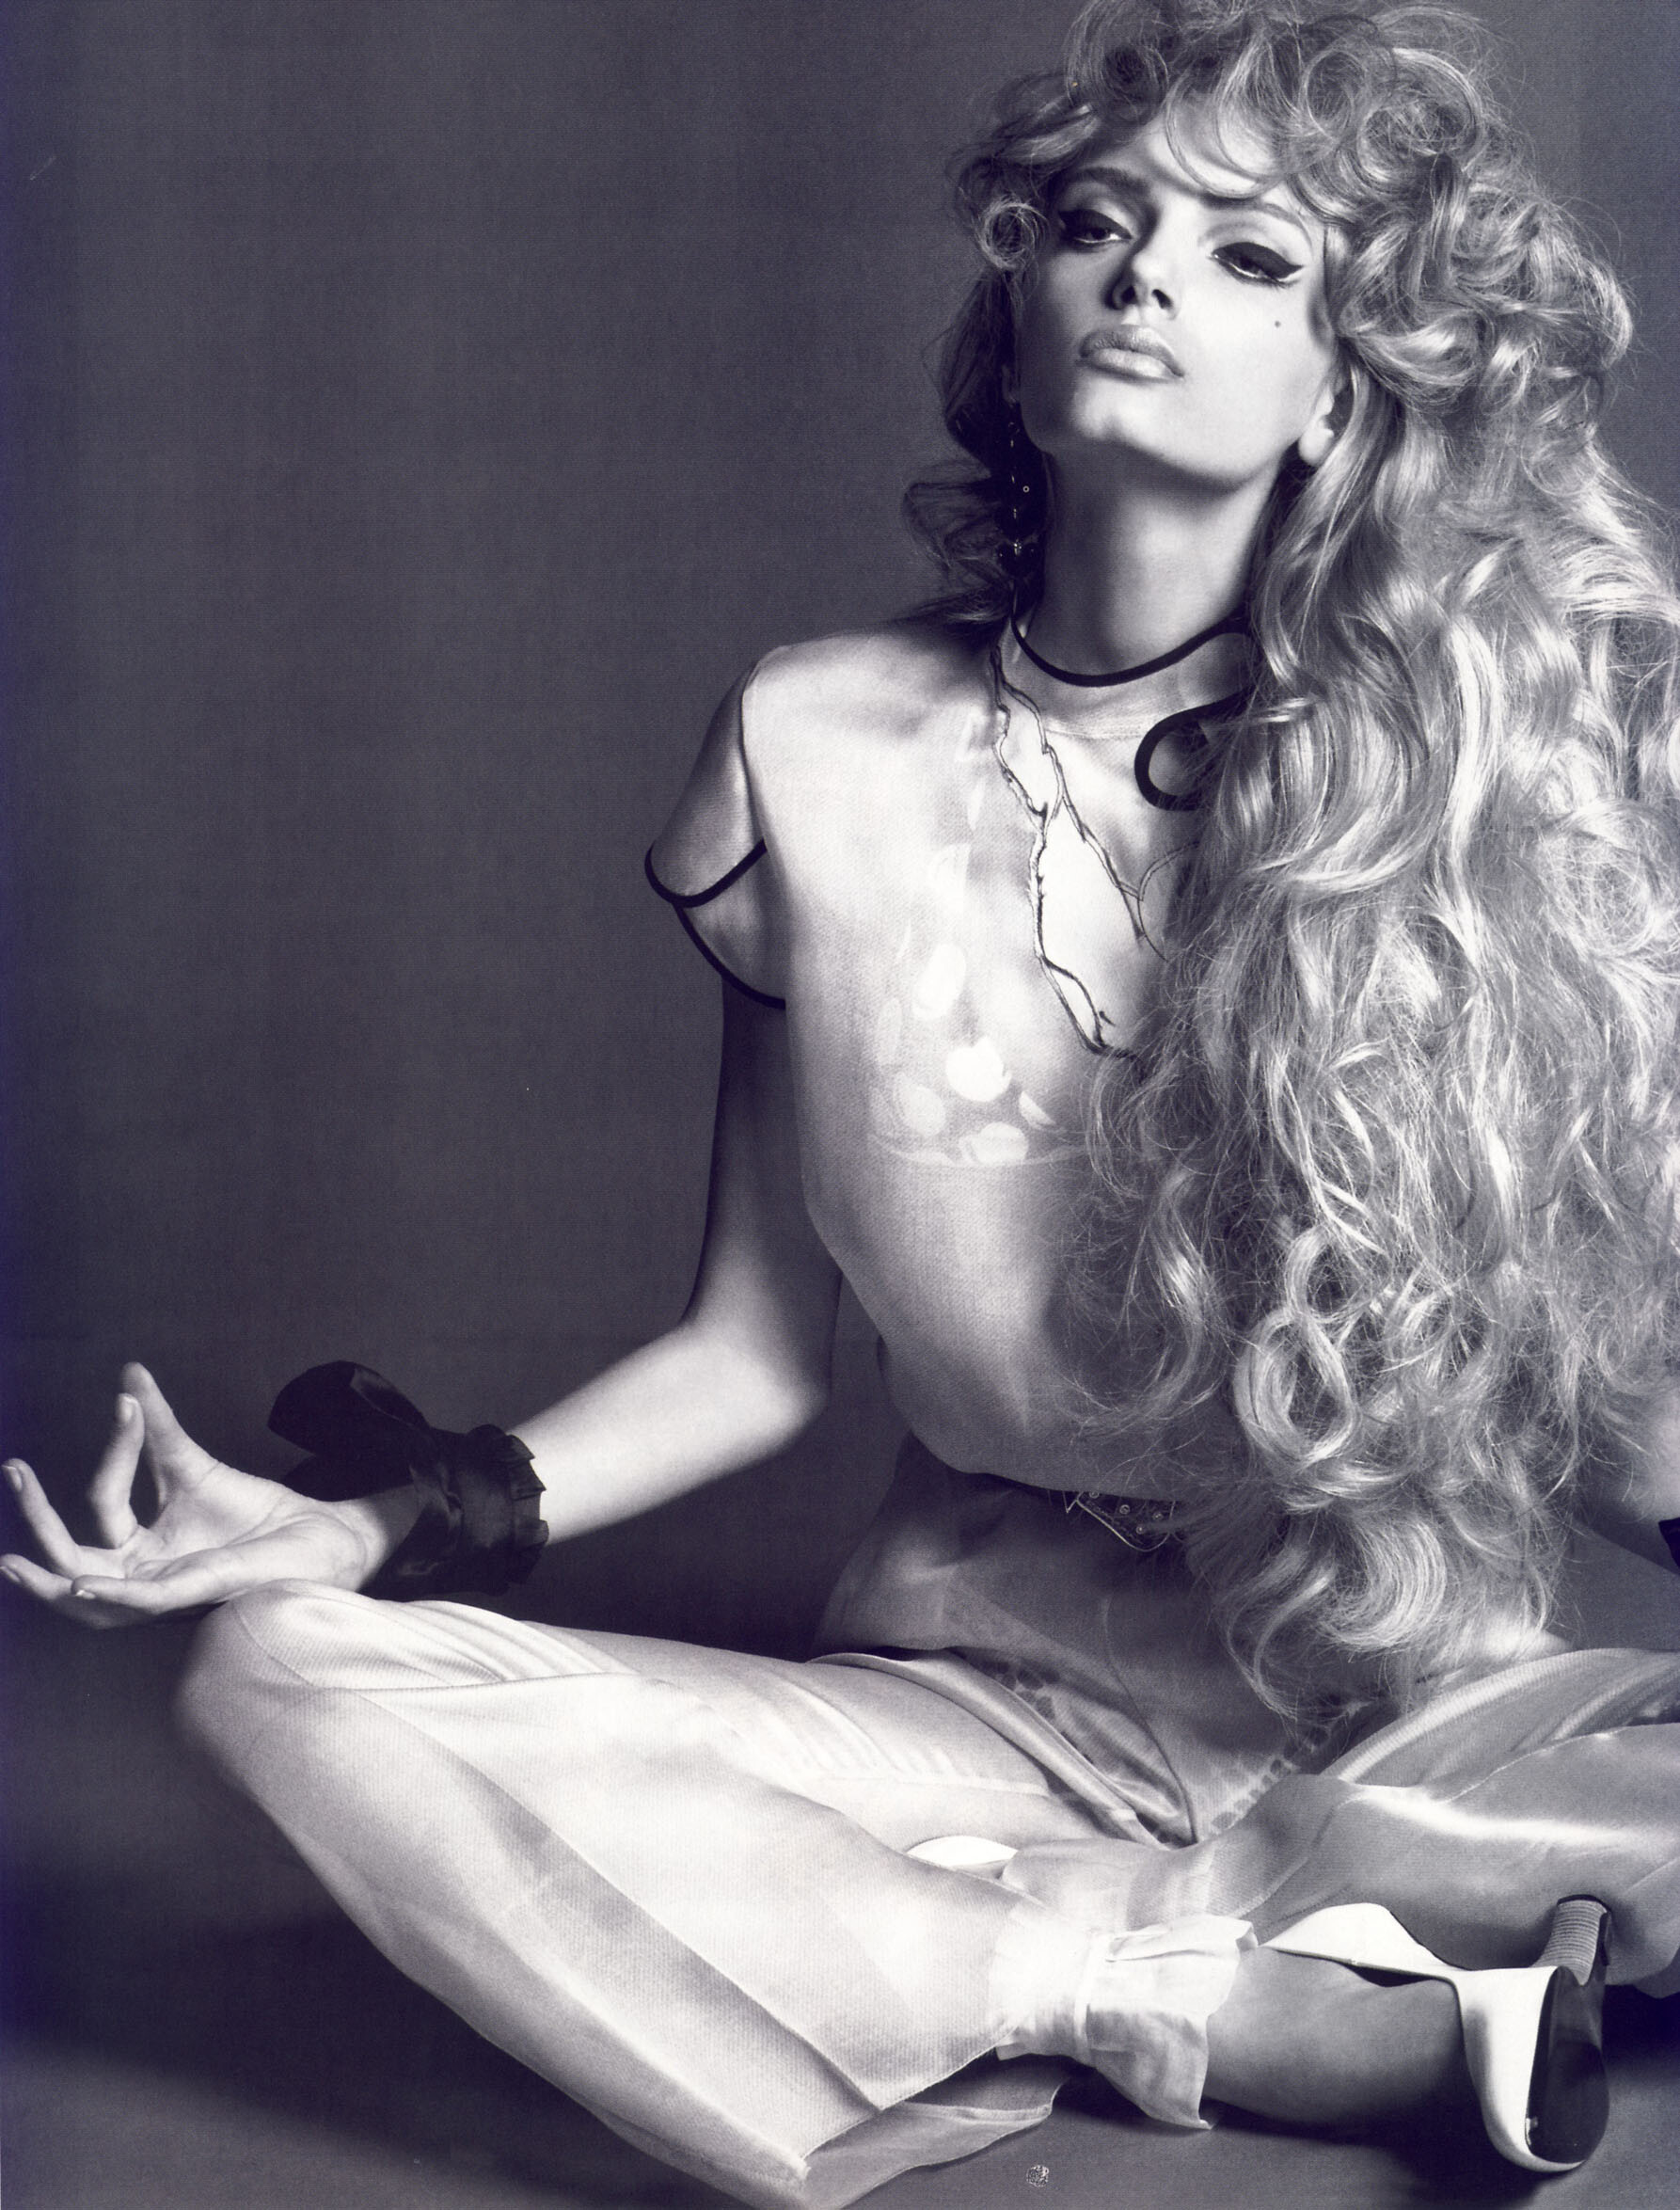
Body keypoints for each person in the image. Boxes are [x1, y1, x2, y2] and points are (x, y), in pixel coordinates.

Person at [7, 2, 1680, 2203]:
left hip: (1401, 1715)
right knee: (280, 1675)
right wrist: (371, 1525)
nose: (1141, 276)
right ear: (1018, 292)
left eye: (1246, 255)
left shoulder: (1468, 794)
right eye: (1092, 222)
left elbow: (1608, 1375)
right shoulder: (805, 748)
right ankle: (1182, 1986)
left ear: (1343, 385)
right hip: (977, 1714)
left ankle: (1210, 1932)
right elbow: (751, 1350)